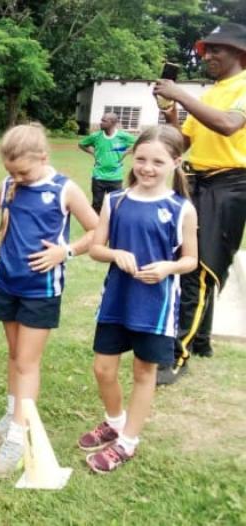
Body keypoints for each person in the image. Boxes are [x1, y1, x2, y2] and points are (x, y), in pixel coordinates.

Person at [0, 124, 98, 479]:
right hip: (8, 283)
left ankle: (19, 438)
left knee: (27, 363)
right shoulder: (10, 183)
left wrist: (66, 251)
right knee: (15, 356)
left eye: (23, 172)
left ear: (43, 158)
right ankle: (13, 413)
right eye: (12, 172)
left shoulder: (64, 189)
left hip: (40, 291)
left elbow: (97, 230)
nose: (17, 179)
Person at [81, 126, 198, 472]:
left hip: (155, 306)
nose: (147, 168)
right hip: (117, 300)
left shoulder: (181, 209)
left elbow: (191, 260)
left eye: (158, 162)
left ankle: (128, 442)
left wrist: (168, 267)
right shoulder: (115, 200)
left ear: (176, 162)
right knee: (103, 369)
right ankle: (115, 421)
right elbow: (96, 248)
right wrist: (115, 253)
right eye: (142, 159)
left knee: (144, 372)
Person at [152, 22, 246, 384]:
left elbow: (228, 125)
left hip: (230, 184)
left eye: (216, 50)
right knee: (192, 262)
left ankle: (176, 356)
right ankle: (201, 340)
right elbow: (181, 141)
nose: (207, 56)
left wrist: (181, 94)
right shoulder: (211, 93)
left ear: (238, 53)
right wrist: (170, 109)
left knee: (199, 268)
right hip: (197, 181)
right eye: (205, 50)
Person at [79, 113, 136, 213]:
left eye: (104, 121)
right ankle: (96, 222)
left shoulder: (123, 136)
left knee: (114, 205)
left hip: (115, 178)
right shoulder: (96, 136)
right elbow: (82, 144)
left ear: (113, 123)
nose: (100, 123)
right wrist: (93, 153)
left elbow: (139, 142)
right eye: (101, 120)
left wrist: (126, 153)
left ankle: (111, 222)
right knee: (97, 205)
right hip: (98, 177)